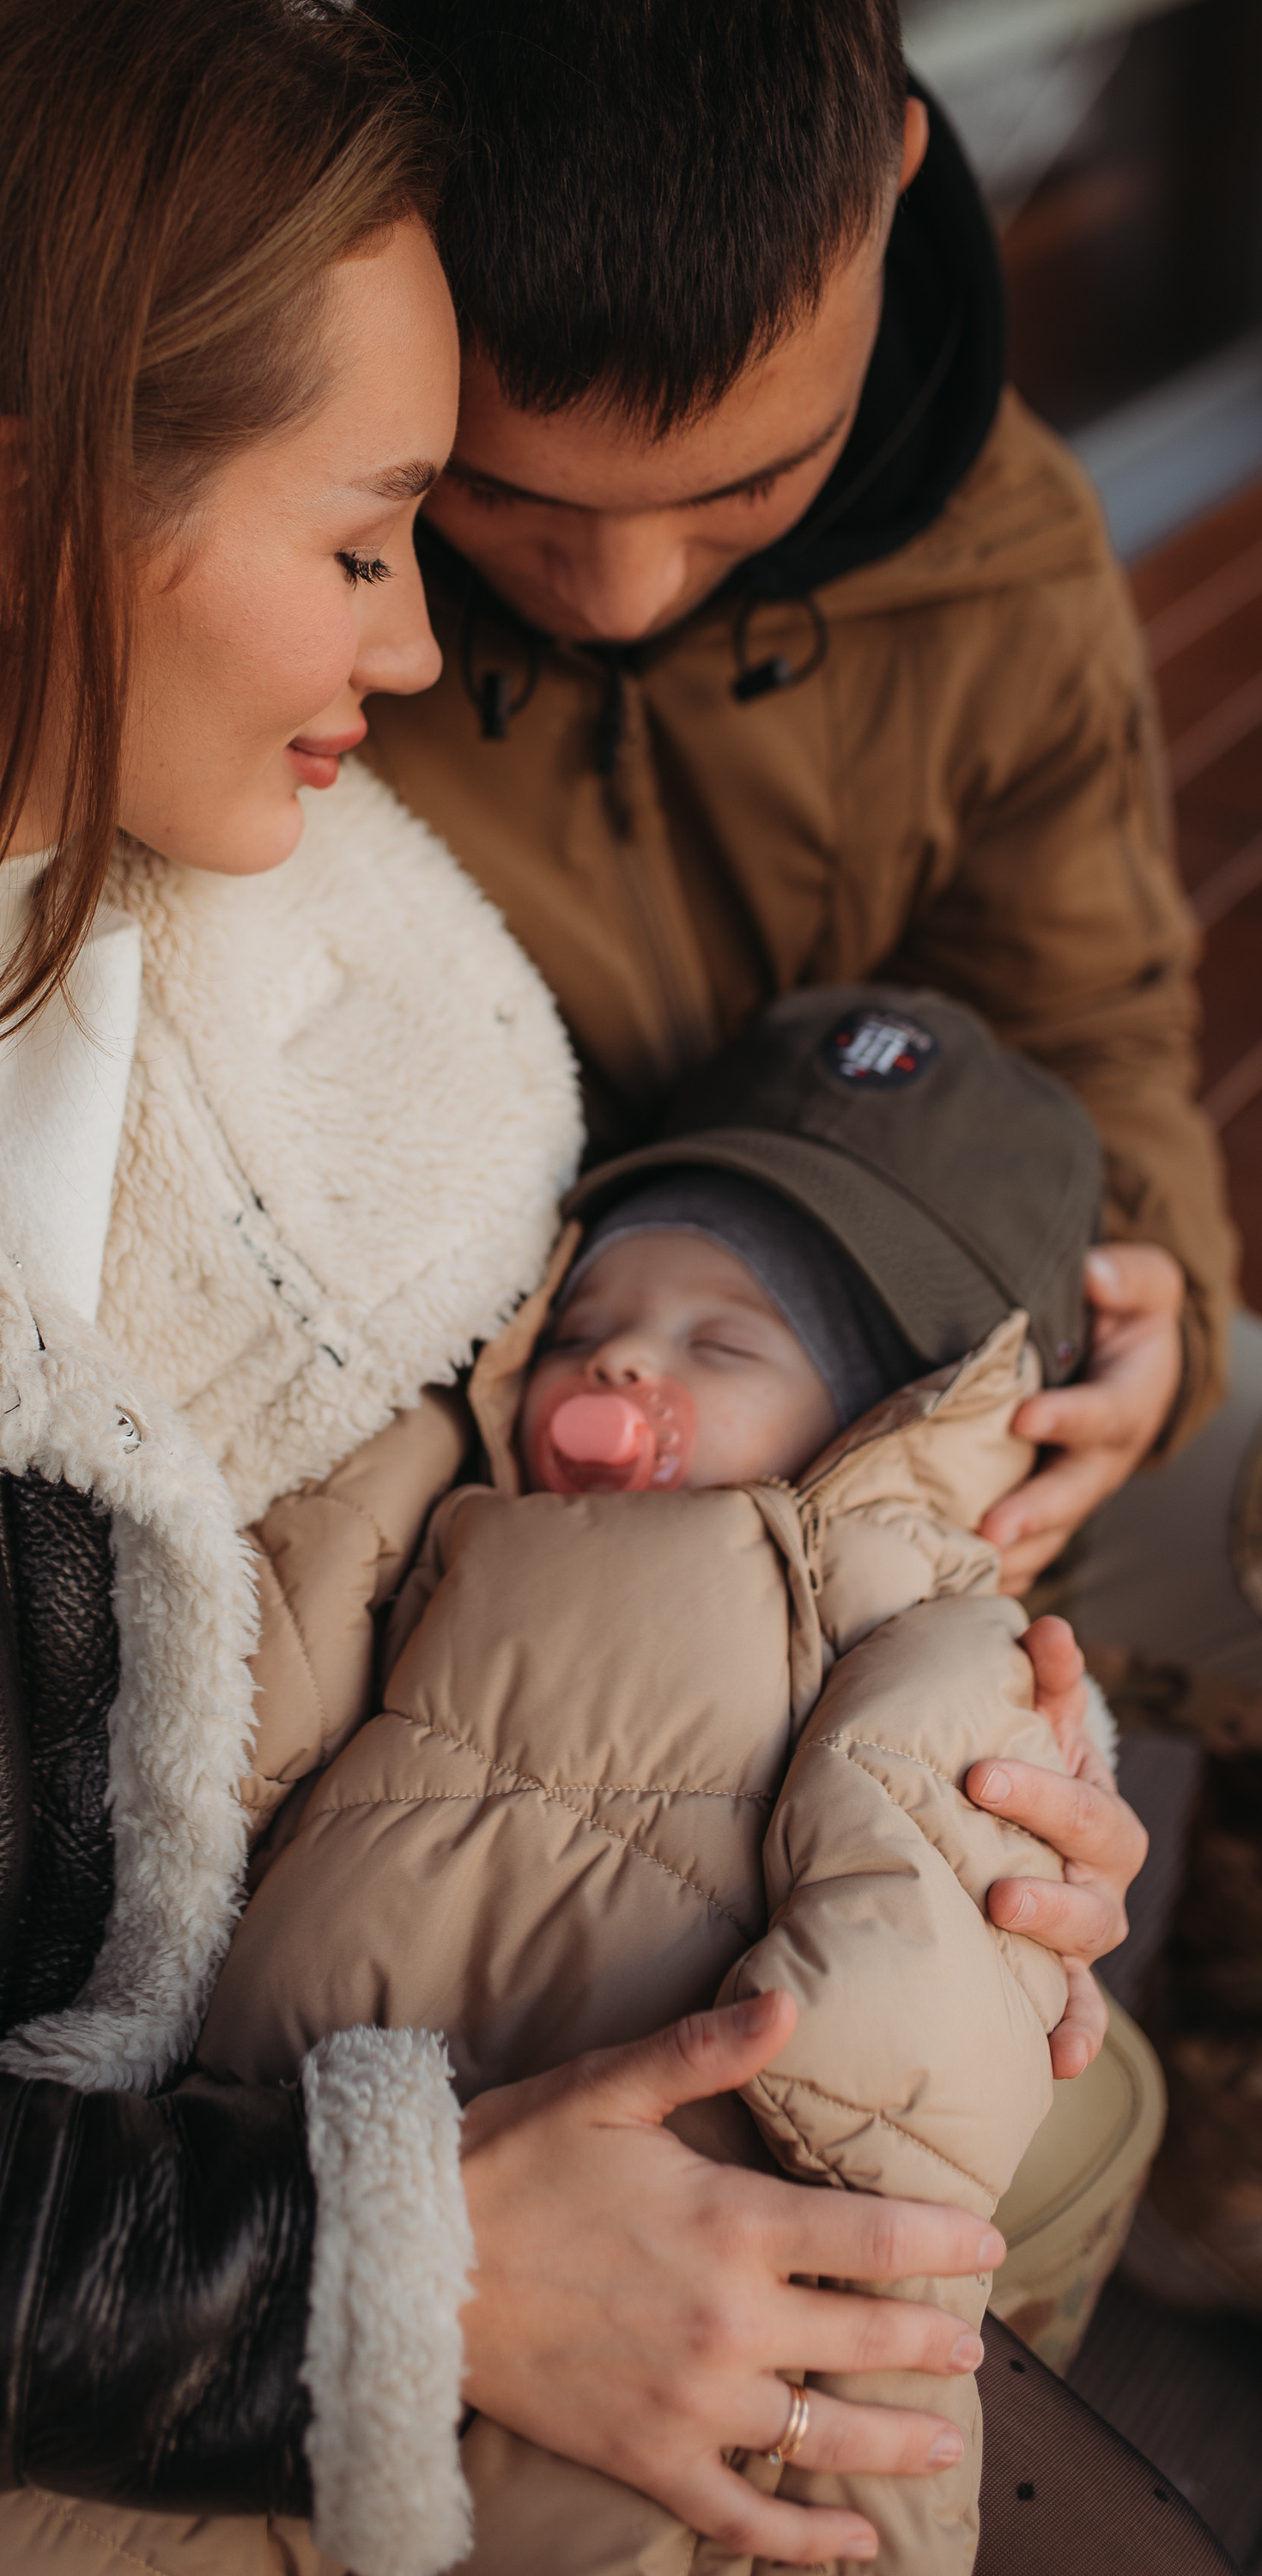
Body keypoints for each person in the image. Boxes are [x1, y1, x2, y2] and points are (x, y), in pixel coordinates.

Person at [0, 8, 1156, 2576]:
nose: (424, 651)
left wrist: (918, 1765)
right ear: (18, 524)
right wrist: (382, 2278)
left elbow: (508, 1602)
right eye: (376, 530)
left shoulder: (366, 993)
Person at [356, 0, 1255, 2310]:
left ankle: (1219, 1991)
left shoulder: (1007, 543)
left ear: (894, 193)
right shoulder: (315, 564)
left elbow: (1090, 1020)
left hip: (904, 1286)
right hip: (556, 1431)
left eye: (740, 494)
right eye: (509, 502)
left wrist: (1139, 1296)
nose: (627, 588)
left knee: (1242, 1439)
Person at [195, 987, 1128, 2575]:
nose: (622, 1354)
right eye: (582, 1322)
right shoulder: (431, 1506)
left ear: (904, 1418)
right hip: (256, 2192)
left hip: (652, 2280)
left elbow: (884, 2111)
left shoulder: (904, 1642)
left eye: (727, 1341)